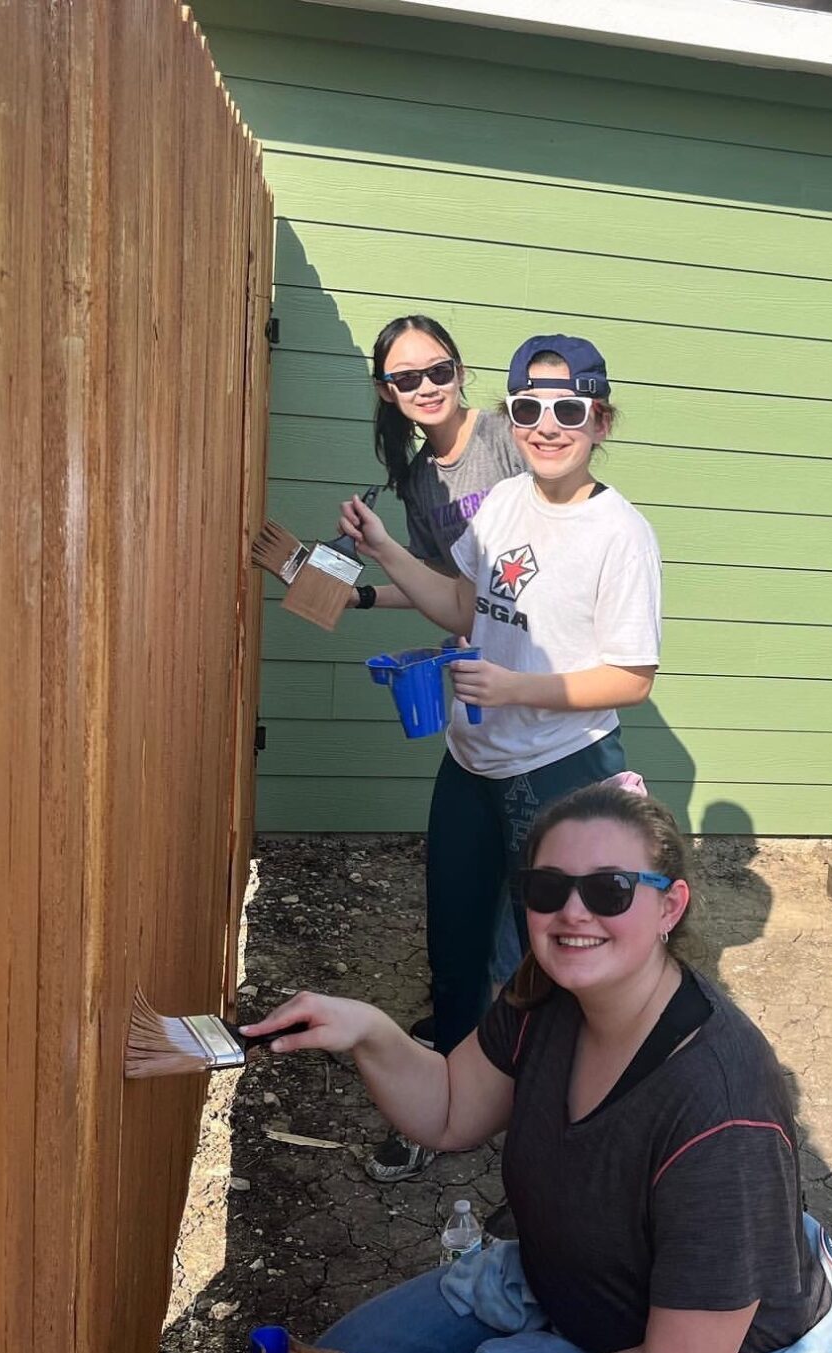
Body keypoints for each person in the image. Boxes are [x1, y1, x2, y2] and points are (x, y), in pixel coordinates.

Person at [243, 786, 832, 1353]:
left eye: (609, 890)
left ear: (670, 906)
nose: (574, 913)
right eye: (547, 889)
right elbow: (447, 1108)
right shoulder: (547, 995)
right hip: (572, 1297)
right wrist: (367, 1031)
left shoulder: (719, 1107)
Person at [338, 335, 662, 1059]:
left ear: (599, 422)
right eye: (529, 408)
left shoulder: (621, 535)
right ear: (513, 420)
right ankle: (452, 1080)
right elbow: (462, 606)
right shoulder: (505, 503)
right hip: (473, 756)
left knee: (553, 943)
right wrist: (386, 549)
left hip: (559, 768)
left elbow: (631, 678)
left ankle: (544, 1083)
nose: (548, 425)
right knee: (452, 929)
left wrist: (518, 688)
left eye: (568, 409)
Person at [344, 314, 527, 1181]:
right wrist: (352, 591)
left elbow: (510, 590)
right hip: (471, 727)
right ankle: (447, 1087)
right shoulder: (419, 482)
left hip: (544, 726)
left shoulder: (510, 440)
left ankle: (548, 1106)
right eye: (405, 379)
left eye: (437, 370)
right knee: (455, 923)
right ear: (387, 392)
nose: (424, 388)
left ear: (462, 370)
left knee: (538, 933)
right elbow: (446, 596)